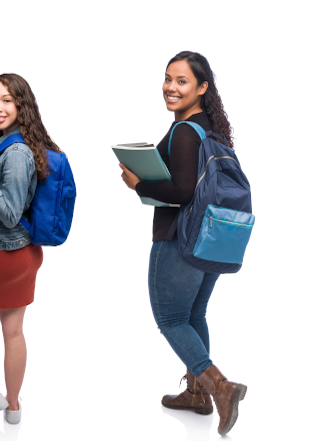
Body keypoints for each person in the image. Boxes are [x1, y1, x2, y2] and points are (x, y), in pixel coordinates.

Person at [118, 51, 248, 436]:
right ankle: (196, 395)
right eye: (167, 79)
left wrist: (138, 184)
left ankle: (220, 388)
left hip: (181, 238)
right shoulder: (213, 130)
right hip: (213, 238)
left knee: (171, 319)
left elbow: (182, 190)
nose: (171, 88)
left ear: (202, 88)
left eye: (182, 81)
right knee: (193, 316)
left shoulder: (187, 131)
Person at [0, 73, 61, 425]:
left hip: (2, 253)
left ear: (22, 105)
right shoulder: (8, 143)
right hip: (22, 254)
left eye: (6, 100)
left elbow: (8, 215)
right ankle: (14, 407)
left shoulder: (16, 152)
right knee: (13, 329)